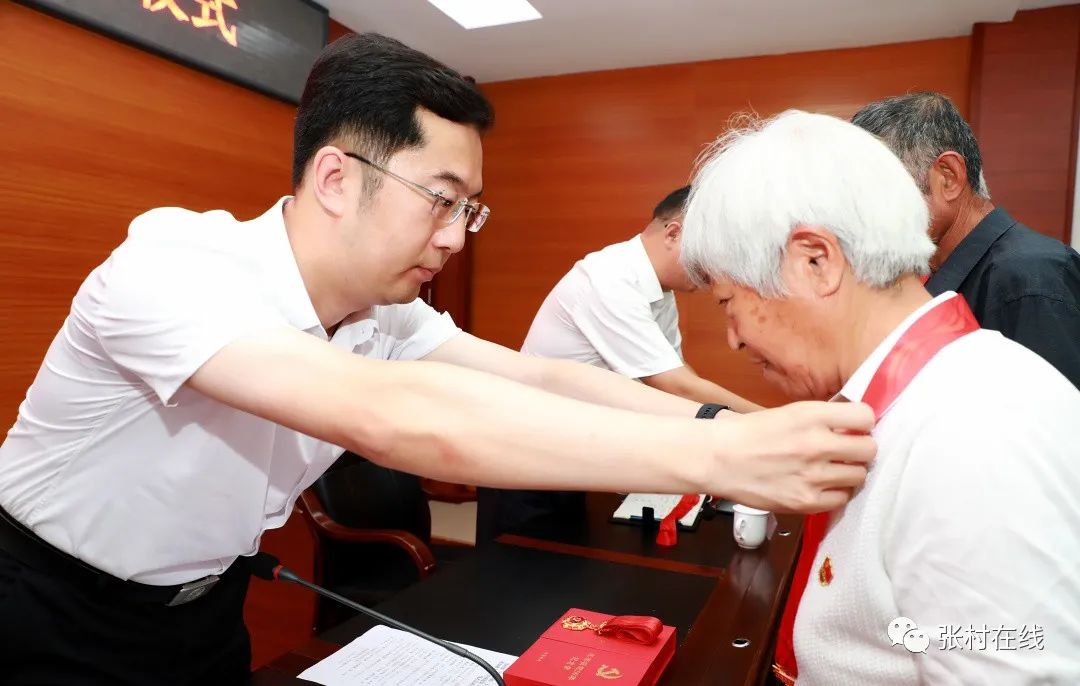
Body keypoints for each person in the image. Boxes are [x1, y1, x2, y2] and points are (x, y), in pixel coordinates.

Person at [0, 34, 876, 684]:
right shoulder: (173, 265)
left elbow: (538, 376)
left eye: (470, 209)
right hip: (49, 605)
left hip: (206, 609)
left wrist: (725, 424)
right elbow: (393, 416)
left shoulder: (383, 310)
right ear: (337, 179)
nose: (456, 237)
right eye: (441, 201)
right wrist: (724, 457)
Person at [682, 110, 1080, 685]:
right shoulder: (915, 399)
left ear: (815, 261)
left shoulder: (971, 433)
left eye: (728, 302)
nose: (733, 338)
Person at [477, 186, 761, 542]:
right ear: (673, 234)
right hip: (522, 451)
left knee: (566, 561)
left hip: (568, 449)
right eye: (707, 257)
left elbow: (677, 377)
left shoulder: (658, 293)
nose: (711, 273)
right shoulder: (609, 279)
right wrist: (767, 423)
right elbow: (676, 386)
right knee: (516, 565)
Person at [852, 92, 1080, 388]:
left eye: (878, 190)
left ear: (948, 178)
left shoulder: (1029, 279)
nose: (864, 212)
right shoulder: (932, 275)